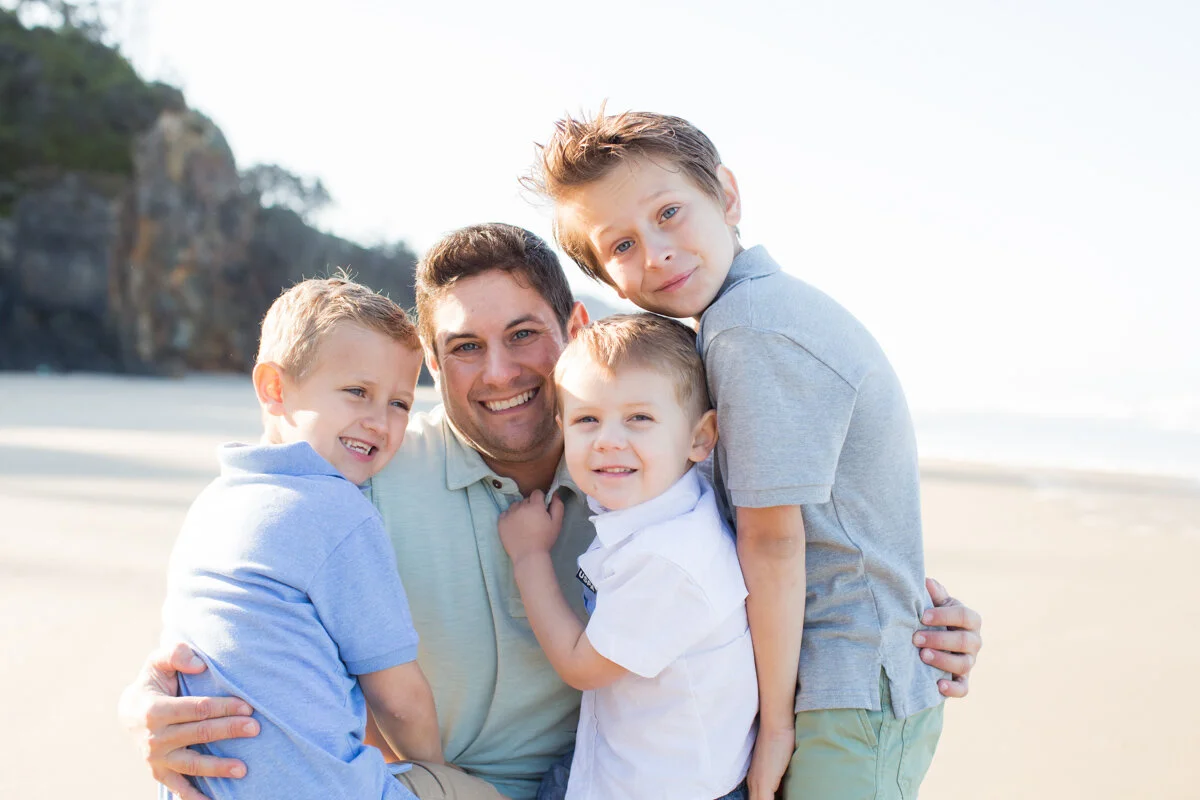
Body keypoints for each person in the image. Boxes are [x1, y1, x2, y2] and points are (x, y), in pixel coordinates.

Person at [119, 224, 984, 800]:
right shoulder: (367, 470)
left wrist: (930, 623)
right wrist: (146, 704)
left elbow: (795, 558)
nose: (499, 371)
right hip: (442, 785)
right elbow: (240, 587)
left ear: (573, 324)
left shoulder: (662, 463)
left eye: (523, 334)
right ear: (431, 361)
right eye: (464, 347)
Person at [526, 110, 955, 800]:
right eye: (623, 245)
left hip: (841, 687)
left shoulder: (749, 327)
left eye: (670, 212)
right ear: (606, 278)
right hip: (841, 674)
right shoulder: (746, 317)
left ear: (727, 195)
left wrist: (777, 724)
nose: (657, 251)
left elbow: (774, 539)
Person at [157, 275, 504, 800]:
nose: (380, 422)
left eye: (400, 404)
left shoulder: (213, 504)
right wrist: (439, 774)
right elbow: (398, 696)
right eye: (357, 392)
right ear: (275, 389)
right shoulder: (337, 511)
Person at [498, 314, 757, 800]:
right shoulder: (670, 500)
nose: (609, 439)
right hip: (621, 763)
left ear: (700, 439)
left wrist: (529, 557)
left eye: (639, 418)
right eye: (586, 419)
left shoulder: (671, 559)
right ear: (562, 431)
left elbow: (581, 667)